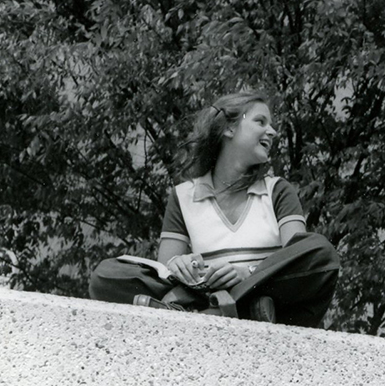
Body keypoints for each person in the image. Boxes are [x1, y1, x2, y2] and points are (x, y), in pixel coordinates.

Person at [90, 91, 339, 327]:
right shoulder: (182, 195)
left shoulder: (278, 190)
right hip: (203, 294)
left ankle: (221, 308)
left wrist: (248, 274)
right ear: (229, 128)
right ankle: (227, 309)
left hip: (270, 303)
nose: (272, 132)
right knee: (106, 274)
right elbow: (165, 270)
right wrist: (181, 264)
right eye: (260, 121)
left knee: (321, 252)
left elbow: (296, 257)